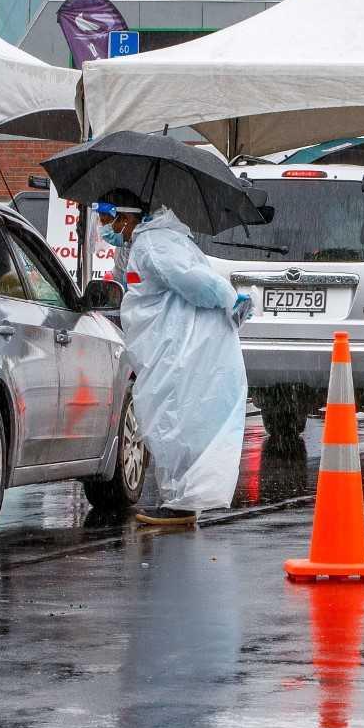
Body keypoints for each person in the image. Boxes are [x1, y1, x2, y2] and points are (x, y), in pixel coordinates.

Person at [98, 189, 252, 527]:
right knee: (168, 419)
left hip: (175, 350)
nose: (104, 228)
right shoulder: (149, 241)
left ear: (126, 218)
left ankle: (182, 501)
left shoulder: (154, 245)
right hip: (167, 347)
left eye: (107, 220)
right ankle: (178, 499)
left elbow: (196, 282)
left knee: (172, 420)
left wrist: (229, 298)